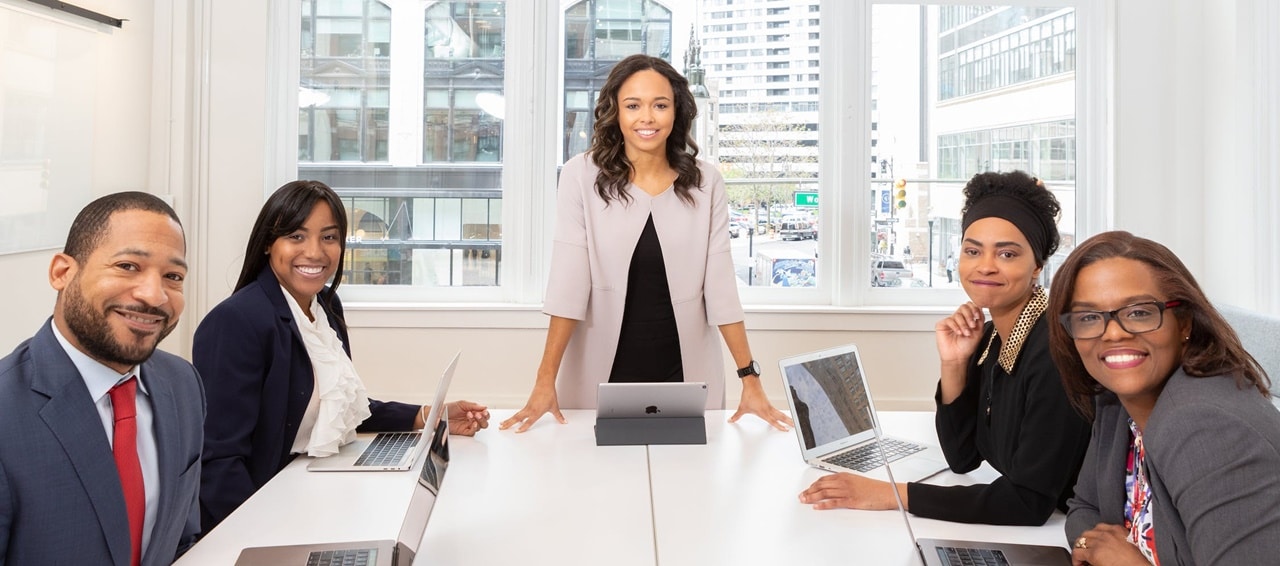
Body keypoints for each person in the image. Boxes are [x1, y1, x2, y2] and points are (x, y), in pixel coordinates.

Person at [499, 54, 791, 432]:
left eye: (660, 105)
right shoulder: (579, 176)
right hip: (598, 373)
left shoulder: (707, 182)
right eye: (633, 105)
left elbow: (721, 289)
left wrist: (750, 379)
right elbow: (567, 287)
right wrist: (544, 381)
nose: (647, 118)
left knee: (690, 485)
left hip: (685, 372)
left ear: (677, 112)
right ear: (615, 112)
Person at [193, 180, 490, 530]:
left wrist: (429, 416)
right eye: (297, 236)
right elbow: (219, 463)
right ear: (268, 244)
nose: (316, 252)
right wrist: (260, 538)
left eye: (329, 237)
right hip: (266, 507)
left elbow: (339, 407)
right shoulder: (237, 321)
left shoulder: (325, 306)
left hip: (310, 487)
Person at [800, 171, 1091, 526]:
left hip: (1072, 534)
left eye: (1007, 253)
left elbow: (1027, 503)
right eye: (972, 250)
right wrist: (954, 363)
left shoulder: (1055, 352)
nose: (985, 265)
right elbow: (963, 457)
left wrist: (889, 494)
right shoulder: (991, 338)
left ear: (1037, 267)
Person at [1048, 231, 1280, 565]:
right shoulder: (1116, 402)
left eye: (1139, 312)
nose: (1113, 332)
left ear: (1183, 322)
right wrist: (1089, 544)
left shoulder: (1206, 426)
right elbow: (1084, 509)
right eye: (1088, 318)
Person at [0, 192, 204, 565]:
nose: (154, 295)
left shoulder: (183, 384)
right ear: (62, 272)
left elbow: (182, 539)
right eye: (128, 266)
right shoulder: (6, 409)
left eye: (173, 277)